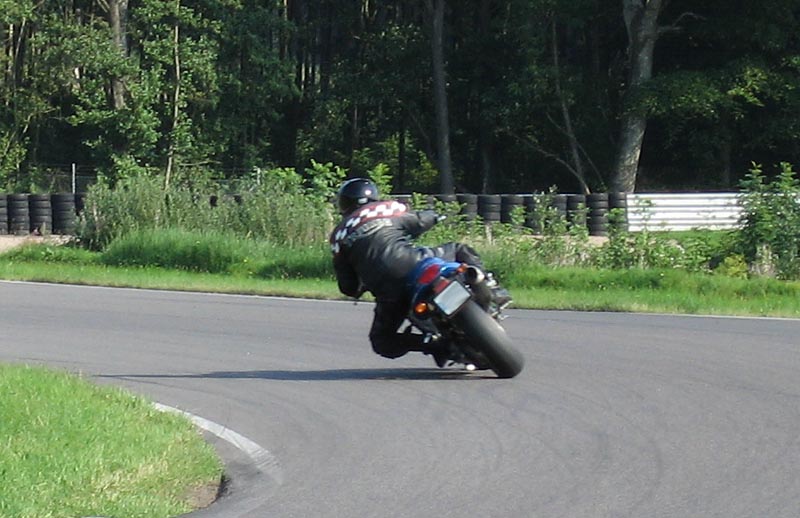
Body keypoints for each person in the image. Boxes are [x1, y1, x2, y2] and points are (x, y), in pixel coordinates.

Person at [329, 177, 502, 366]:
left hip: (389, 291)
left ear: (344, 203)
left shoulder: (338, 236)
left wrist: (360, 287)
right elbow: (420, 221)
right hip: (415, 263)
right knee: (459, 250)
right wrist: (435, 216)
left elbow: (347, 286)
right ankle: (487, 283)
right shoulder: (385, 208)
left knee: (382, 341)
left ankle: (434, 345)